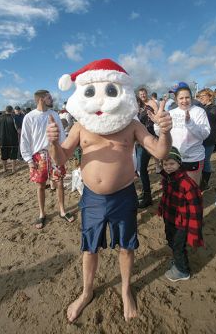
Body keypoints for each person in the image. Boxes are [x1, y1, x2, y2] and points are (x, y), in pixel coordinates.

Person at [47, 59, 172, 322]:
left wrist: (165, 131)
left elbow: (160, 152)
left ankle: (126, 289)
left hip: (124, 194)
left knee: (126, 247)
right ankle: (86, 291)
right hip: (91, 197)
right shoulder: (82, 125)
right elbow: (61, 158)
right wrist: (53, 143)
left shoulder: (131, 124)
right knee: (89, 248)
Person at [20, 90, 75, 229]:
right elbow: (25, 139)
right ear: (41, 99)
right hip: (39, 156)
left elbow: (61, 135)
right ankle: (42, 214)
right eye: (49, 97)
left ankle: (62, 211)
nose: (52, 99)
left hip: (55, 152)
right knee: (40, 185)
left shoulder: (54, 114)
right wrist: (29, 160)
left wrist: (63, 153)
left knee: (60, 182)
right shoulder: (29, 117)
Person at [158, 147, 204, 282]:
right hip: (170, 218)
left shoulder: (187, 183)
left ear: (179, 163)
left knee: (178, 246)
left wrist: (194, 231)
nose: (168, 167)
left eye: (172, 163)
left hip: (182, 223)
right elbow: (165, 197)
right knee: (171, 241)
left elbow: (196, 209)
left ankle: (182, 271)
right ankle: (178, 261)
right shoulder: (166, 179)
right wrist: (161, 210)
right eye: (165, 164)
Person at [158, 82, 210, 185]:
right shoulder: (171, 113)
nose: (184, 101)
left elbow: (204, 134)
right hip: (174, 159)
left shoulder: (199, 112)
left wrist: (190, 123)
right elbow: (161, 133)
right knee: (177, 189)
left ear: (191, 98)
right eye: (181, 98)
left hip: (193, 158)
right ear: (176, 99)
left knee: (192, 189)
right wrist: (158, 124)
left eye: (187, 97)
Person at [136, 87, 158, 208]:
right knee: (141, 168)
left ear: (147, 93)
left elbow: (158, 115)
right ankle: (146, 193)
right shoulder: (137, 106)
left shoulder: (152, 103)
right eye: (140, 94)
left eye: (144, 93)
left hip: (150, 137)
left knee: (142, 168)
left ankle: (148, 196)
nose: (143, 95)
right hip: (140, 139)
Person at [198, 89, 216, 191]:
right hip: (199, 139)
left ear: (210, 96)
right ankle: (199, 181)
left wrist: (197, 107)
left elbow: (209, 116)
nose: (200, 98)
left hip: (209, 140)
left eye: (202, 96)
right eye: (199, 96)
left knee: (205, 161)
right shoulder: (201, 107)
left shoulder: (215, 107)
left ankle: (204, 183)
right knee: (199, 161)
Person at [0, 105, 19, 173]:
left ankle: (4, 168)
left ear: (5, 110)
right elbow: (17, 129)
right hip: (13, 139)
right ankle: (13, 169)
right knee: (13, 155)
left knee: (4, 155)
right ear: (12, 110)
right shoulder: (13, 118)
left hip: (3, 139)